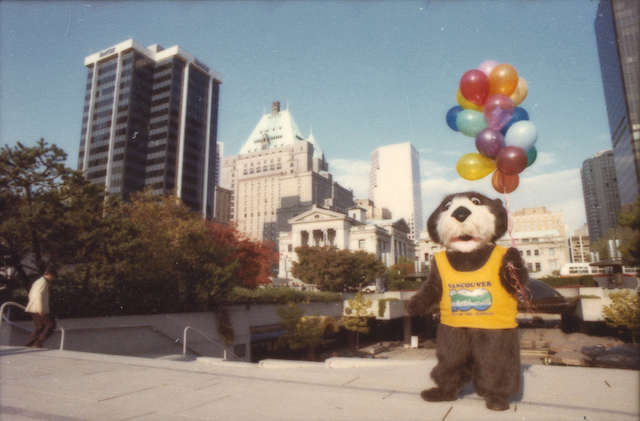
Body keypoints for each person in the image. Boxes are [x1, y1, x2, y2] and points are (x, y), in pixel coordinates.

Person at [24, 266, 57, 348]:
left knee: (40, 327)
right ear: (51, 275)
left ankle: (29, 344)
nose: (53, 279)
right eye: (54, 277)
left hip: (33, 308)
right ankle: (38, 343)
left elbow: (30, 294)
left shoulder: (38, 281)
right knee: (50, 325)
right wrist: (40, 309)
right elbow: (38, 295)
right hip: (38, 308)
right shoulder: (43, 282)